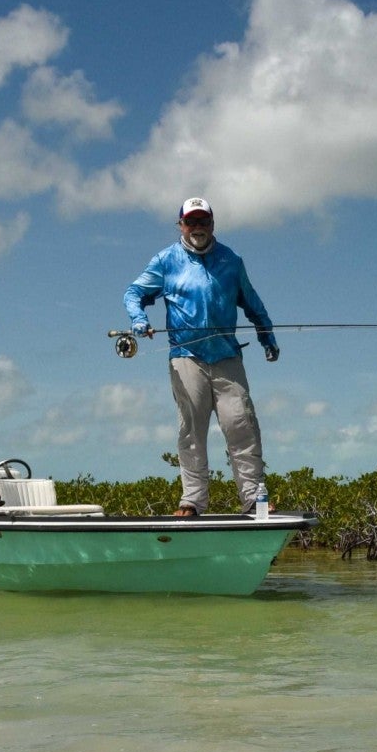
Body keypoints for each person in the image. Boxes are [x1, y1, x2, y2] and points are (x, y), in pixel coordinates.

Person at [123, 196, 280, 515]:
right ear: (180, 225)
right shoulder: (165, 260)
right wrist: (139, 321)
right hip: (186, 357)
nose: (197, 227)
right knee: (191, 430)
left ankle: (254, 499)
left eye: (203, 221)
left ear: (212, 224)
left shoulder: (231, 261)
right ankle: (193, 500)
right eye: (190, 221)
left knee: (241, 425)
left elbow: (253, 303)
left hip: (227, 358)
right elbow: (133, 293)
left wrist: (268, 337)